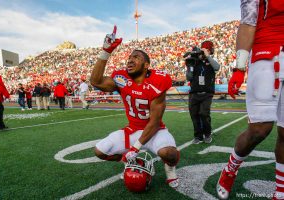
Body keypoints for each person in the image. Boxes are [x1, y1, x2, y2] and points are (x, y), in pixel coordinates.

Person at [90, 26, 180, 188]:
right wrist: (106, 52)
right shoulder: (122, 78)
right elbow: (96, 82)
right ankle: (128, 161)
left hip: (154, 131)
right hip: (132, 130)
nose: (130, 60)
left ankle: (170, 168)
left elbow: (154, 121)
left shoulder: (157, 81)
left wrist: (135, 147)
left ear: (146, 65)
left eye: (136, 57)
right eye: (129, 57)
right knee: (99, 151)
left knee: (170, 154)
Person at [216, 1, 284, 199]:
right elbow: (248, 22)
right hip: (267, 53)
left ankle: (280, 190)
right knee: (259, 129)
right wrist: (239, 67)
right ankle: (231, 168)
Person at [185, 41, 220, 144]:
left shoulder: (211, 61)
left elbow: (217, 67)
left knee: (204, 114)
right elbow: (189, 77)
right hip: (194, 93)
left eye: (208, 50)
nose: (205, 52)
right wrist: (189, 67)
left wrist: (208, 56)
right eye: (204, 50)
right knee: (194, 115)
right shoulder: (194, 61)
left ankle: (207, 134)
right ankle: (198, 136)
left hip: (207, 93)